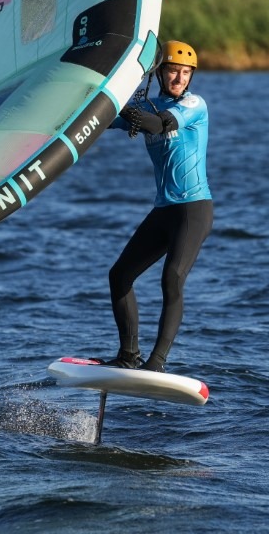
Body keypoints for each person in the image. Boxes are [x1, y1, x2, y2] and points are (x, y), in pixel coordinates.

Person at [99, 40, 213, 373]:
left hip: (193, 209)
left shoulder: (194, 104)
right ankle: (128, 356)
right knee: (120, 275)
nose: (179, 78)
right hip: (163, 210)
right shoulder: (149, 105)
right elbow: (105, 120)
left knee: (172, 278)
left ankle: (157, 363)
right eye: (173, 71)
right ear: (160, 73)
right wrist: (102, 97)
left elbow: (159, 124)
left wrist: (123, 105)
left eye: (185, 73)